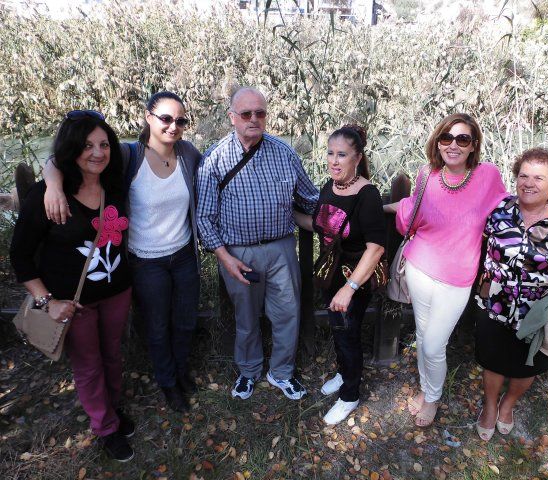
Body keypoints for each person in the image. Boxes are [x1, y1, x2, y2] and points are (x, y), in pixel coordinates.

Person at [43, 92, 202, 413]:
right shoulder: (128, 156)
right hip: (146, 261)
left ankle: (181, 370)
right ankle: (168, 382)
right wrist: (53, 186)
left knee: (185, 322)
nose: (173, 126)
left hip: (184, 255)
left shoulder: (188, 153)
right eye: (166, 118)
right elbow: (58, 160)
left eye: (181, 120)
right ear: (148, 117)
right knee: (157, 326)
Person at [10, 111, 135, 461]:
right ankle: (105, 427)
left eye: (103, 144)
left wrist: (52, 170)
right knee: (88, 364)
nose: (97, 152)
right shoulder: (47, 196)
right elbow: (20, 255)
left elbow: (151, 144)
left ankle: (112, 408)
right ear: (70, 148)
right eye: (87, 145)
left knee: (112, 355)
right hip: (72, 302)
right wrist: (47, 301)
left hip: (117, 291)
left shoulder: (115, 183)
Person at [384, 113, 507, 427]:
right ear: (437, 142)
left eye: (462, 139)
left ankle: (433, 397)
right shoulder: (427, 174)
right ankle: (427, 390)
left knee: (433, 344)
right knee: (423, 335)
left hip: (457, 278)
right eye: (446, 138)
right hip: (420, 267)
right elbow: (412, 209)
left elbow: (508, 207)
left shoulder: (488, 175)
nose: (453, 145)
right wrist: (384, 207)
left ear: (473, 145)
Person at [197, 87, 319, 401]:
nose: (254, 119)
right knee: (246, 317)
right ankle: (248, 371)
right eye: (246, 113)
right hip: (238, 253)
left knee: (287, 315)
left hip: (281, 249)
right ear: (232, 117)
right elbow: (204, 218)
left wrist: (346, 201)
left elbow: (310, 198)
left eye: (260, 113)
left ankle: (282, 372)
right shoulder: (215, 158)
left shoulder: (284, 153)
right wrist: (224, 257)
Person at [474, 148, 548, 440]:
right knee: (492, 359)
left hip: (539, 308)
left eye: (538, 178)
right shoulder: (500, 209)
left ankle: (508, 404)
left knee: (527, 365)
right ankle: (490, 406)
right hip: (495, 301)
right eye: (523, 176)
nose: (528, 183)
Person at [296, 125, 385, 424]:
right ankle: (344, 372)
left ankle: (350, 395)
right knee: (339, 331)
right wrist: (289, 213)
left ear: (357, 158)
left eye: (342, 155)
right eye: (330, 153)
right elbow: (321, 225)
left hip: (354, 278)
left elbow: (375, 249)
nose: (334, 161)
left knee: (348, 335)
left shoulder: (367, 195)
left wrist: (349, 288)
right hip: (330, 274)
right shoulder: (330, 186)